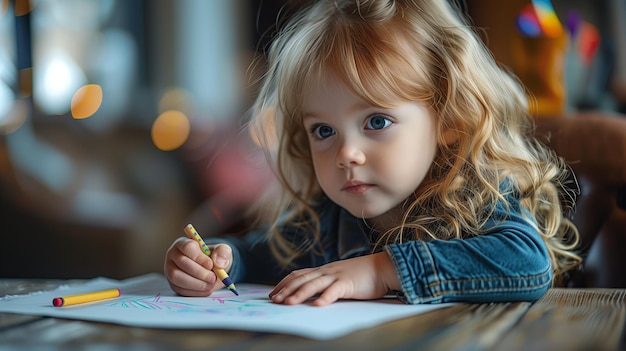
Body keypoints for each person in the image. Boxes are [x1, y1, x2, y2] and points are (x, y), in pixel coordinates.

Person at [164, 0, 582, 306]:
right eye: (323, 130)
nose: (347, 153)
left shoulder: (476, 198)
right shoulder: (326, 220)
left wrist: (382, 270)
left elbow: (527, 262)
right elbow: (259, 255)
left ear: (450, 117)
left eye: (376, 122)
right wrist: (215, 261)